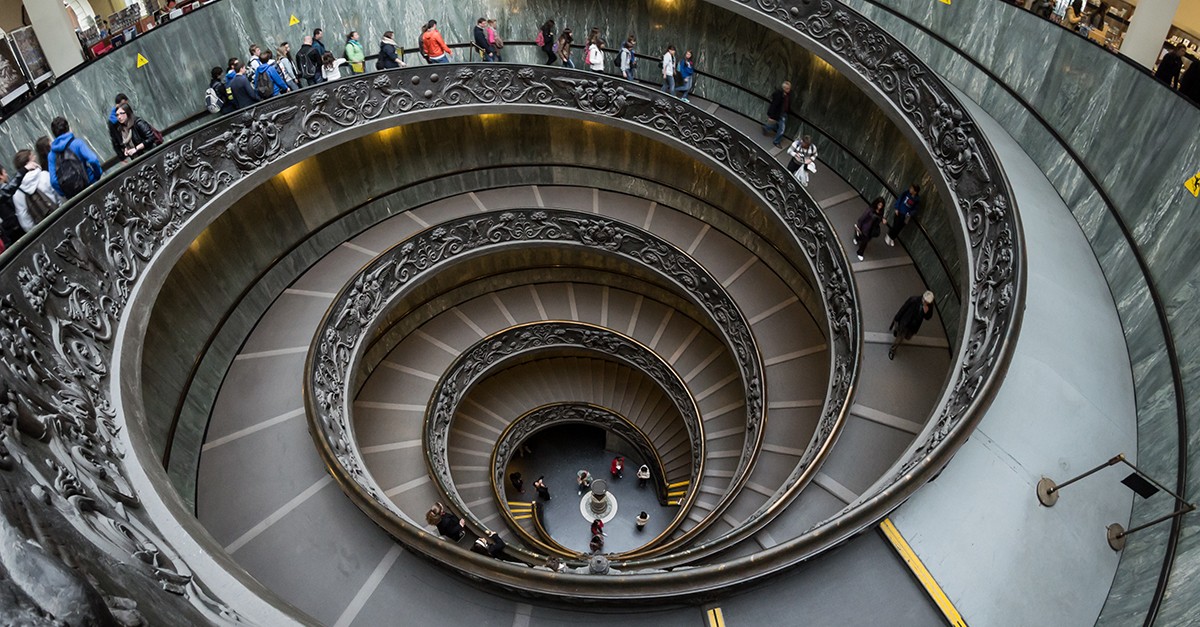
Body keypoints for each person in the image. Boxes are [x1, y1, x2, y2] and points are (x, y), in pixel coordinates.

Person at [48, 117, 103, 199]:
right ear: (68, 128)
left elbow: (53, 181)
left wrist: (65, 192)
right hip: (90, 185)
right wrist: (96, 175)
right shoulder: (77, 143)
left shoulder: (51, 155)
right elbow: (93, 160)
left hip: (74, 197)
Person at [11, 149, 61, 232]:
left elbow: (24, 219)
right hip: (60, 216)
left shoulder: (17, 193)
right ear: (29, 162)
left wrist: (37, 232)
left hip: (44, 230)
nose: (35, 157)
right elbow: (59, 196)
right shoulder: (44, 175)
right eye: (33, 157)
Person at [889, 291, 935, 360]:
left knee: (908, 337)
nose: (926, 303)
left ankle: (897, 330)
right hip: (906, 322)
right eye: (925, 301)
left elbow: (928, 317)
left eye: (928, 302)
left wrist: (926, 313)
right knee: (900, 338)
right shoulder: (914, 300)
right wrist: (897, 317)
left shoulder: (929, 307)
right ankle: (892, 350)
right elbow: (904, 308)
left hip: (914, 326)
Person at [763, 81, 792, 147]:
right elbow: (774, 105)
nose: (789, 90)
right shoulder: (779, 95)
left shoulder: (787, 95)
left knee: (778, 126)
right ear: (784, 88)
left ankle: (766, 127)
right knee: (782, 129)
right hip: (780, 114)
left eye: (789, 88)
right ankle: (776, 141)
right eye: (787, 88)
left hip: (784, 113)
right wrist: (771, 116)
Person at [106, 93, 130, 158]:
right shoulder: (113, 120)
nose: (125, 106)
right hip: (126, 150)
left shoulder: (127, 113)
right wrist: (121, 157)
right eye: (123, 104)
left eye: (126, 104)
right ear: (117, 105)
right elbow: (114, 139)